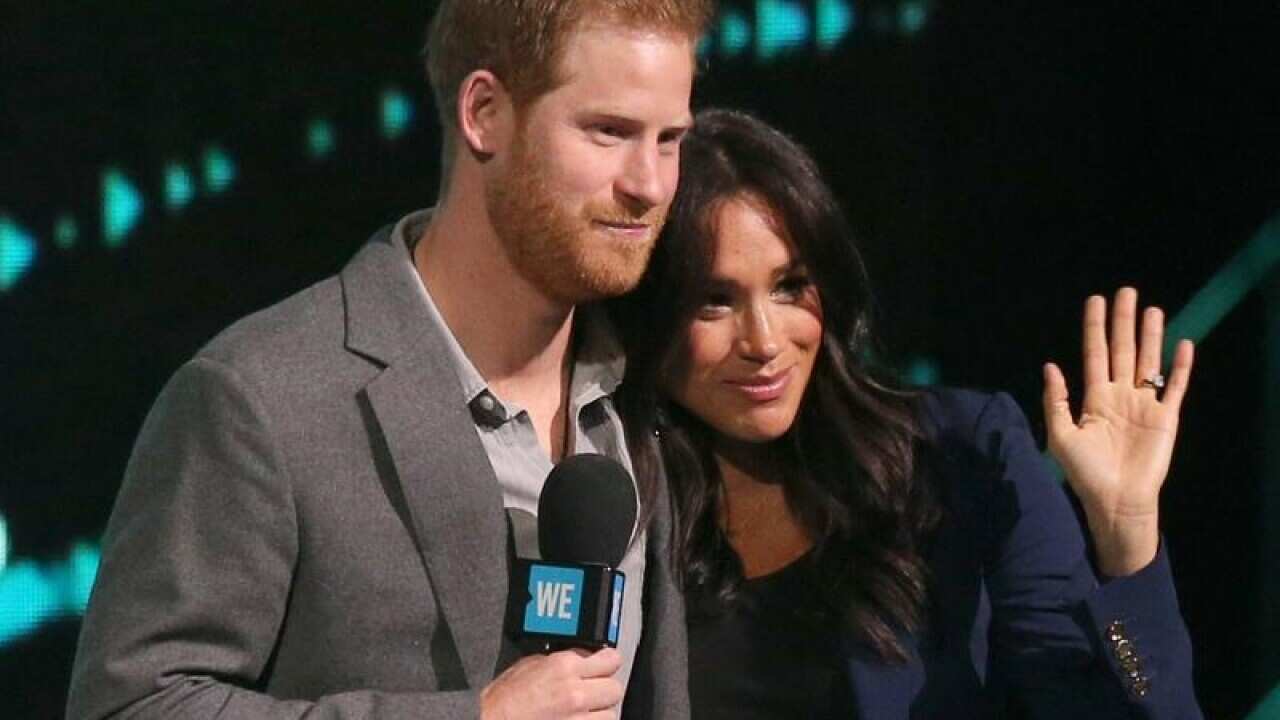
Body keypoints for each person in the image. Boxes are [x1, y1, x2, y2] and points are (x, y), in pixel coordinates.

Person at [65, 2, 715, 718]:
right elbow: (130, 707)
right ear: (485, 113)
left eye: (669, 140)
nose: (649, 183)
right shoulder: (260, 397)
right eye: (610, 132)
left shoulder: (650, 395)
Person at [608, 109, 1204, 718]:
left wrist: (1125, 536)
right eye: (715, 301)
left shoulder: (960, 455)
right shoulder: (609, 493)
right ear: (650, 315)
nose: (763, 341)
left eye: (790, 286)